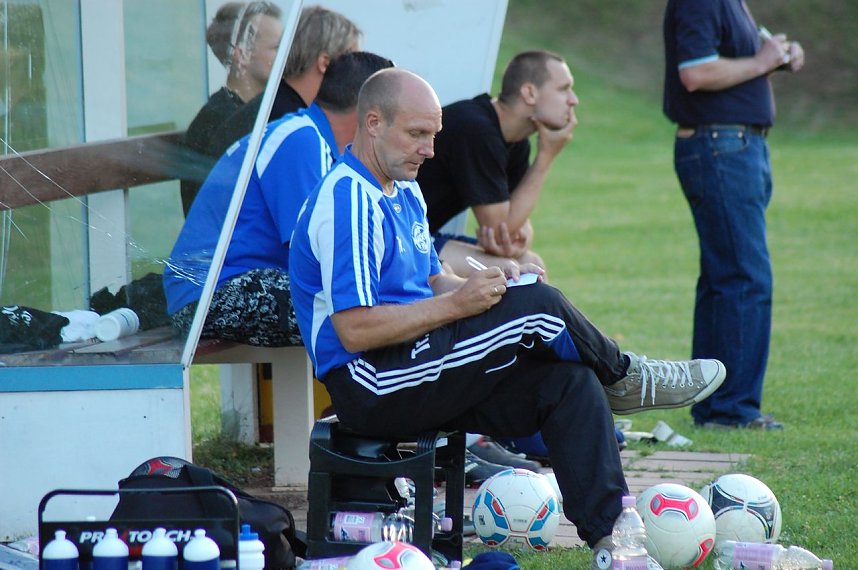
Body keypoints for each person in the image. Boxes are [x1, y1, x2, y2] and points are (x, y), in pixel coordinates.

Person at [287, 68, 726, 566]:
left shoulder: (403, 188)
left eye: (434, 135)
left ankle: (613, 541)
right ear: (373, 123)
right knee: (538, 306)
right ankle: (627, 376)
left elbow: (433, 281)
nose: (429, 150)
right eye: (417, 134)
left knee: (569, 382)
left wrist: (490, 286)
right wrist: (461, 305)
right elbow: (354, 329)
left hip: (419, 363)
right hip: (372, 382)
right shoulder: (348, 199)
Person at [163, 52, 393, 345]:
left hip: (242, 283)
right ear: (370, 115)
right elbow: (317, 252)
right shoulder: (302, 139)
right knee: (363, 308)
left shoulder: (316, 140)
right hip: (209, 295)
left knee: (381, 301)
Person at [663, 0, 804, 430]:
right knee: (744, 277)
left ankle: (715, 406)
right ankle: (731, 411)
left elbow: (723, 63)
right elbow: (696, 72)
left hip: (735, 146)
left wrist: (776, 56)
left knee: (725, 279)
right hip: (722, 146)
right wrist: (762, 60)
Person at [416, 50, 577, 278]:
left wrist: (517, 241)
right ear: (530, 93)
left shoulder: (515, 141)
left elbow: (516, 224)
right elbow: (501, 228)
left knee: (530, 262)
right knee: (513, 271)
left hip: (425, 237)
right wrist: (546, 156)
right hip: (399, 241)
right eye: (564, 89)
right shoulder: (476, 130)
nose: (573, 100)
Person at [205, 5, 362, 160]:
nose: (357, 75)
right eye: (353, 62)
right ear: (325, 63)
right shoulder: (289, 124)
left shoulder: (273, 107)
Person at [181, 1, 284, 215]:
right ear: (241, 54)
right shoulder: (218, 123)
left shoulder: (241, 112)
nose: (287, 55)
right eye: (277, 47)